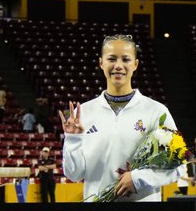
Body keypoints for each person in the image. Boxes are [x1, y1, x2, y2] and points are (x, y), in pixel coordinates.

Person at [61, 34, 178, 202]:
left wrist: (139, 178)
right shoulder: (83, 113)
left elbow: (176, 166)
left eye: (126, 59)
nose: (118, 66)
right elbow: (74, 174)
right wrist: (72, 140)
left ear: (135, 64)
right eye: (112, 59)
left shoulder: (156, 111)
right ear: (101, 62)